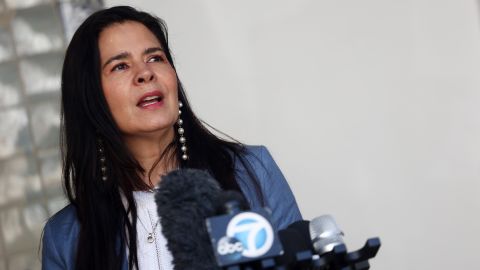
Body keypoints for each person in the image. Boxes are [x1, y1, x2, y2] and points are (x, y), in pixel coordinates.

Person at [41, 5, 302, 270]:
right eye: (120, 66)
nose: (145, 73)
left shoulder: (253, 171)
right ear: (91, 99)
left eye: (155, 58)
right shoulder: (65, 236)